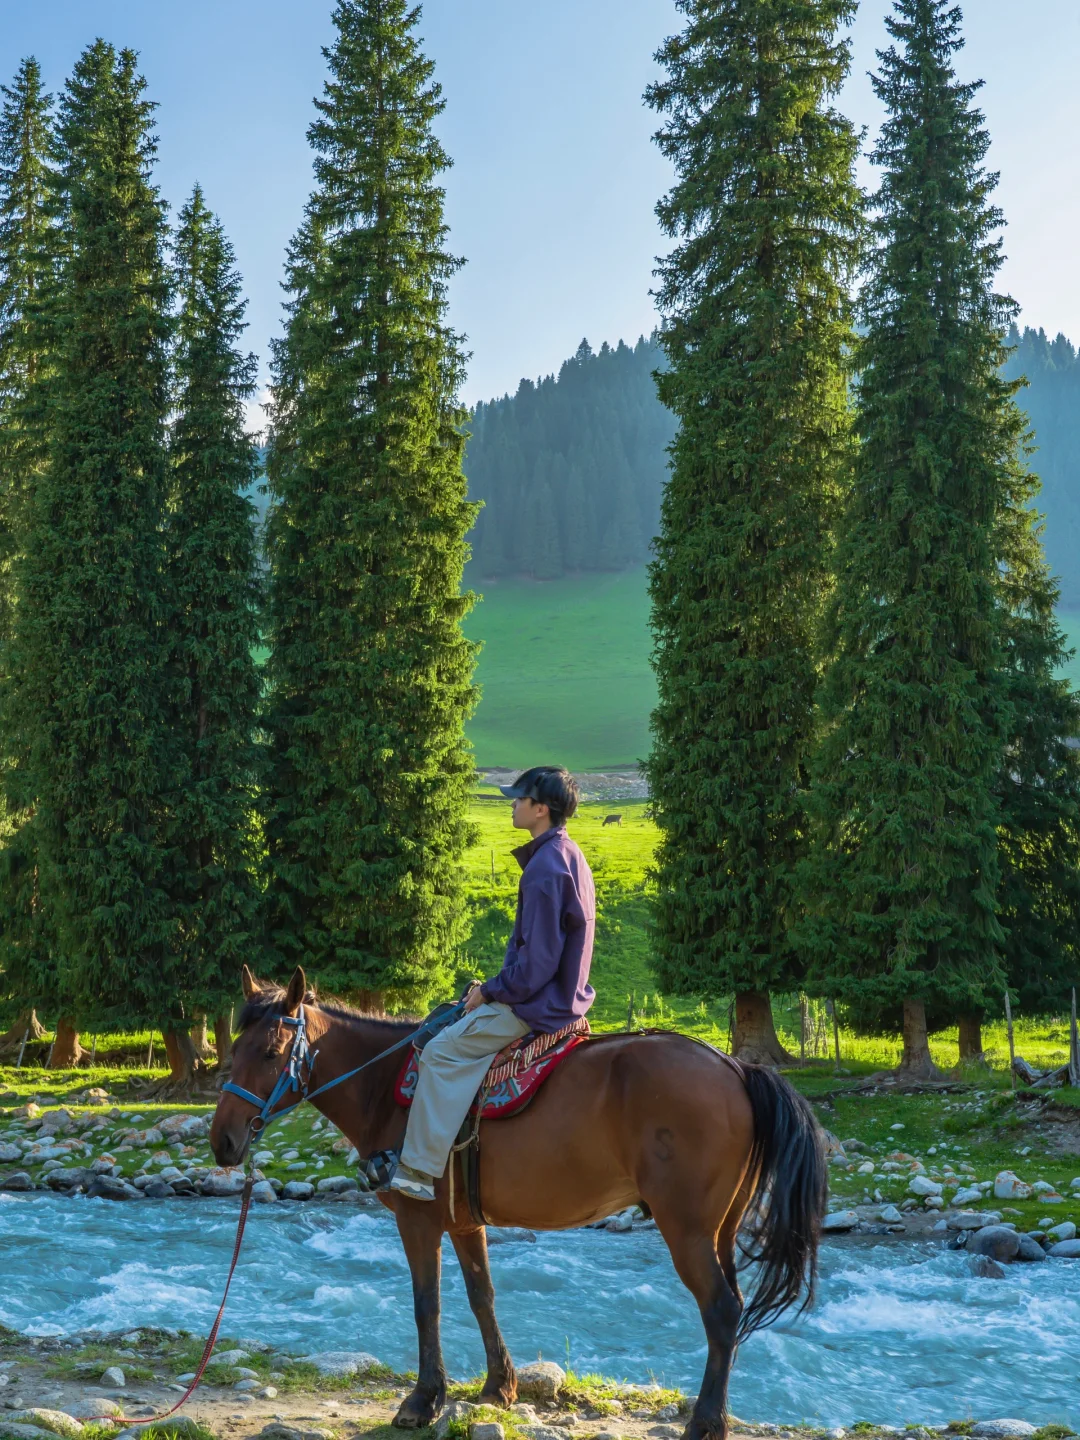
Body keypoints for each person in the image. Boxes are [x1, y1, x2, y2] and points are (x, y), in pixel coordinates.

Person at [389, 765, 596, 1201]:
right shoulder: (569, 853)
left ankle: (418, 1172)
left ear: (541, 809)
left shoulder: (543, 869)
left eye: (519, 799)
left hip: (536, 1006)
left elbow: (536, 965)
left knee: (441, 1050)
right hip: (558, 999)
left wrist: (490, 990)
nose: (513, 805)